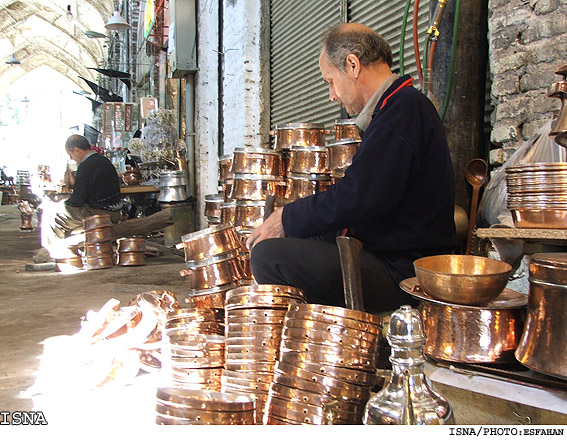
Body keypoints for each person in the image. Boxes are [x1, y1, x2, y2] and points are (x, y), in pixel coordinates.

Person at [246, 23, 457, 314]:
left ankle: (328, 339)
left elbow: (360, 197)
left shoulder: (404, 109)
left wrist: (287, 217)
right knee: (293, 236)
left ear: (353, 65)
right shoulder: (394, 109)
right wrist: (292, 224)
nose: (332, 95)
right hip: (382, 250)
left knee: (268, 257)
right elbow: (362, 193)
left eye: (330, 81)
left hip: (403, 271)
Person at [40, 134, 123, 258]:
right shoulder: (102, 160)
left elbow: (76, 201)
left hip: (101, 213)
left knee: (51, 213)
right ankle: (64, 250)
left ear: (77, 150)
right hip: (114, 211)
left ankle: (53, 252)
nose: (72, 158)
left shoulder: (87, 165)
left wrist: (62, 203)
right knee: (56, 210)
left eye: (71, 154)